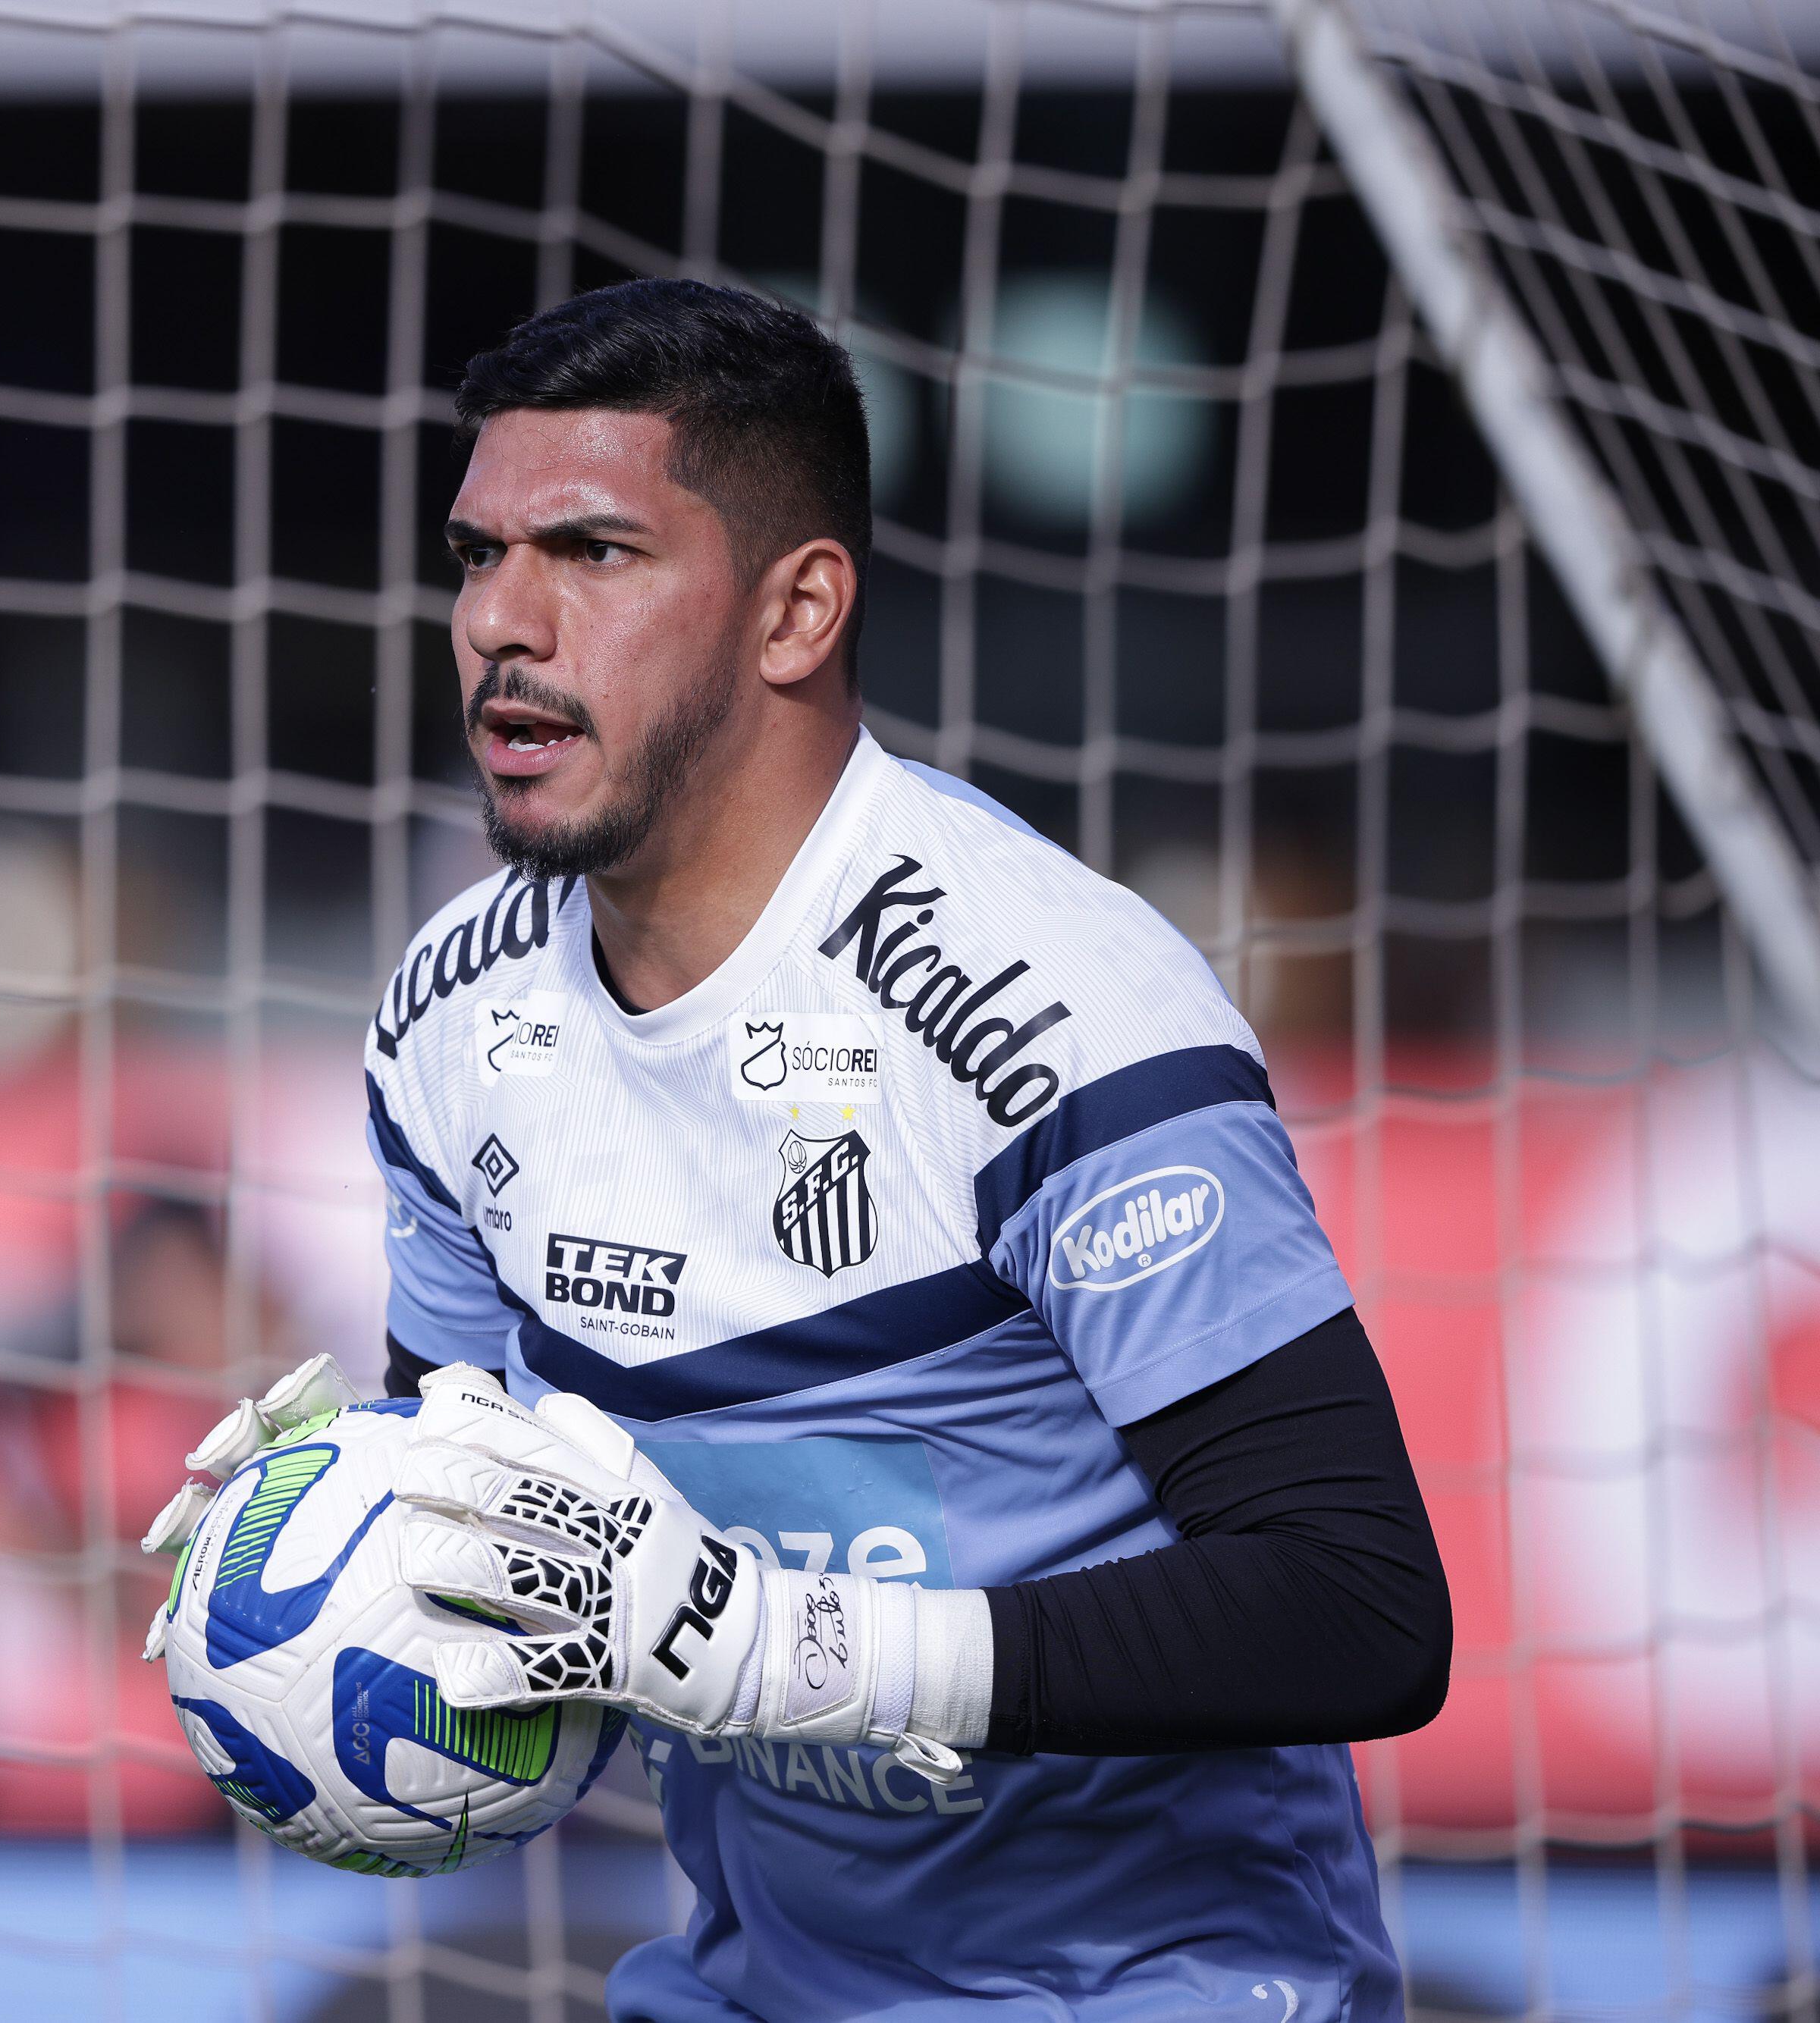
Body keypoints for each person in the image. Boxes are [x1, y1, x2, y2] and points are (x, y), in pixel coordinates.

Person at [157, 279, 1448, 2021]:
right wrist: (335, 1564)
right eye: (476, 556)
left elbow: (1355, 1602)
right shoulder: (448, 1022)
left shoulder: (1053, 1004)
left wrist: (787, 1644)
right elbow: (555, 1591)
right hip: (761, 1982)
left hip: (1148, 1982)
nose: (500, 624)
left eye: (592, 553)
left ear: (795, 611)